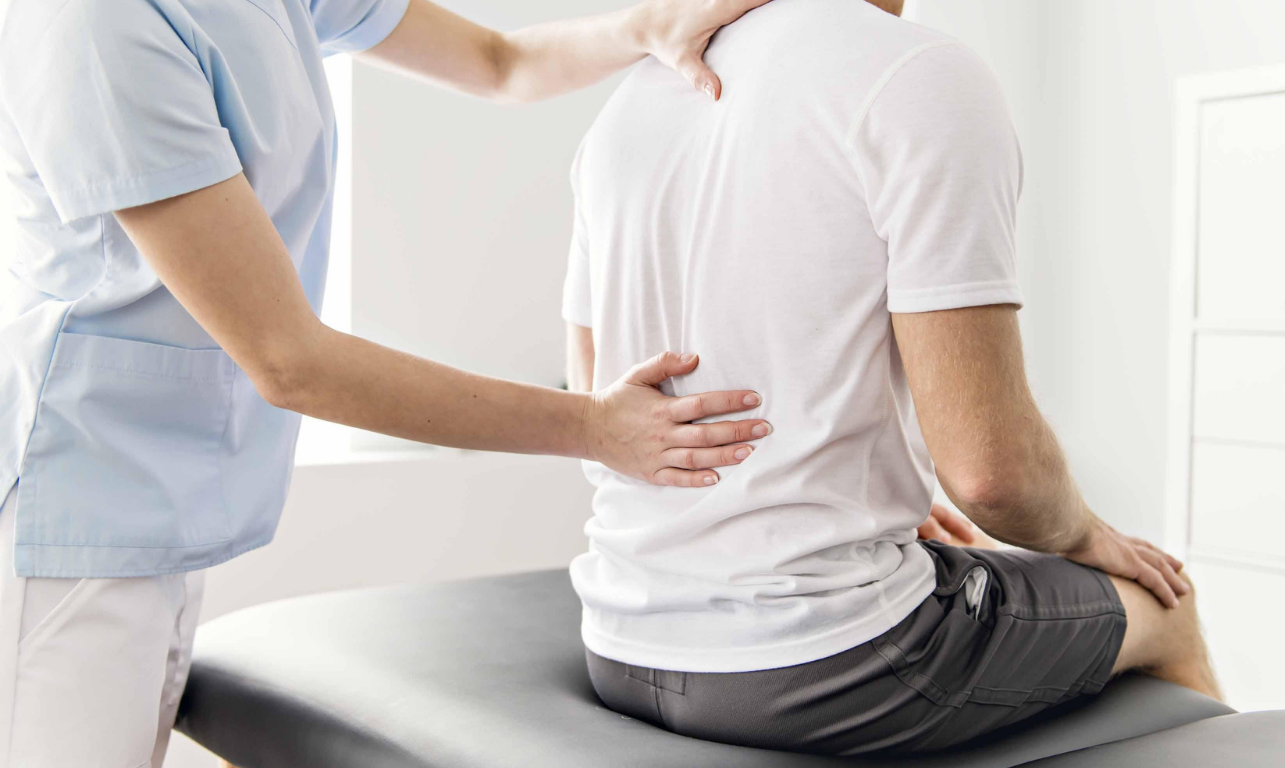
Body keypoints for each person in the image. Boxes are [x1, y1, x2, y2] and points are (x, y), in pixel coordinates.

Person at [0, 0, 780, 765]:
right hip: (74, 511)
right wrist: (592, 427)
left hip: (166, 506)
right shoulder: (95, 22)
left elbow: (496, 63)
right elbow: (289, 360)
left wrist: (642, 27)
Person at [562, 0, 1221, 755]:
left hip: (620, 638)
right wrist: (1085, 534)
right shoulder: (919, 75)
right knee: (1168, 604)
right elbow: (991, 477)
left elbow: (599, 410)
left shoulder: (624, 110)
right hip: (827, 657)